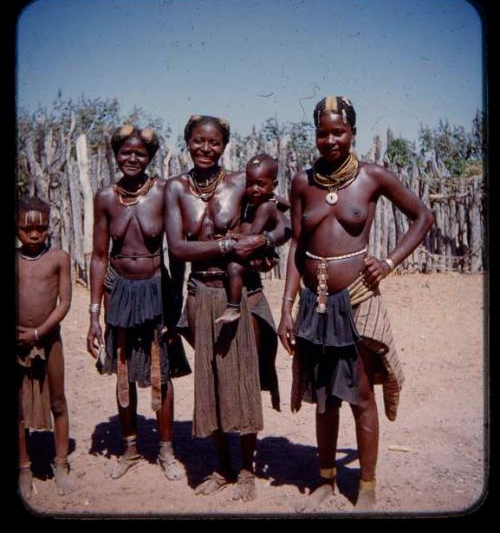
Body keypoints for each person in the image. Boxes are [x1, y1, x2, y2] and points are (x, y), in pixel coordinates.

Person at [278, 96, 434, 511]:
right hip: (314, 301)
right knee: (324, 394)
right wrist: (286, 306)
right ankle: (326, 480)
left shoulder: (372, 177)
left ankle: (366, 486)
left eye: (338, 132)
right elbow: (297, 245)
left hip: (358, 299)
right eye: (322, 133)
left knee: (361, 393)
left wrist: (389, 262)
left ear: (353, 133)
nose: (329, 141)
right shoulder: (302, 182)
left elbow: (423, 216)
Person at [165, 115, 290, 502]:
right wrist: (227, 247)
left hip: (242, 293)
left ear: (224, 145)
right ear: (187, 141)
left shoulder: (243, 182)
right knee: (212, 380)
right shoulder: (174, 189)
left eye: (214, 142)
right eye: (199, 141)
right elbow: (178, 249)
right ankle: (221, 466)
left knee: (244, 378)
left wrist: (264, 241)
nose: (206, 148)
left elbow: (286, 223)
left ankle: (247, 470)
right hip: (201, 292)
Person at [86, 124, 190, 482]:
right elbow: (99, 256)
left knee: (162, 371)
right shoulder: (104, 198)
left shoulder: (163, 193)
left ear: (150, 158)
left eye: (140, 154)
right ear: (115, 155)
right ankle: (129, 448)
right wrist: (94, 314)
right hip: (119, 289)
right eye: (125, 153)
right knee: (123, 367)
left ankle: (166, 450)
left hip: (155, 288)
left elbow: (176, 253)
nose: (132, 159)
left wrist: (174, 305)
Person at [17, 197, 74, 499]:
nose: (35, 235)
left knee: (58, 401)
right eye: (27, 230)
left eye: (41, 228)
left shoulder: (59, 258)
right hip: (17, 343)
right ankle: (24, 467)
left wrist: (39, 332)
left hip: (49, 340)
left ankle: (61, 463)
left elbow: (64, 302)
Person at [216, 153, 281, 325]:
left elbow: (254, 234)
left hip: (256, 251)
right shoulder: (254, 202)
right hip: (250, 249)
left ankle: (234, 306)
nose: (254, 189)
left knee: (234, 268)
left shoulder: (265, 207)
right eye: (250, 184)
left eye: (260, 184)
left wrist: (234, 236)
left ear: (273, 185)